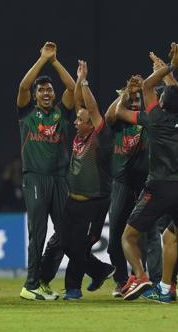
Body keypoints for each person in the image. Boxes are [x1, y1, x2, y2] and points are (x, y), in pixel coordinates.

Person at [117, 43, 178, 303]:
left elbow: (147, 87)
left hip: (159, 187)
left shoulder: (155, 119)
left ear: (161, 103)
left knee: (128, 237)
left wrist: (168, 66)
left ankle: (141, 276)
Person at [16, 42, 75, 300]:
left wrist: (54, 61)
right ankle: (30, 285)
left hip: (60, 180)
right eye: (42, 91)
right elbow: (22, 87)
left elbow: (73, 88)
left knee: (65, 235)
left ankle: (42, 279)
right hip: (36, 178)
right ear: (36, 96)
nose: (46, 93)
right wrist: (42, 59)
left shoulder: (61, 114)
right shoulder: (27, 114)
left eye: (50, 89)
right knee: (38, 232)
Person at [61, 60, 115, 300]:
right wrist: (78, 78)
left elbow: (91, 110)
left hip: (93, 202)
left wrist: (84, 81)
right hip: (72, 202)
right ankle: (100, 269)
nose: (75, 122)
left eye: (79, 120)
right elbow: (79, 105)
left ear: (89, 124)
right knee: (65, 245)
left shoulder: (97, 138)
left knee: (80, 246)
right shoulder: (78, 135)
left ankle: (73, 288)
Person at [105, 74, 162, 297]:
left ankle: (154, 282)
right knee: (115, 238)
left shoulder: (150, 120)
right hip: (122, 184)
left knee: (150, 236)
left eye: (140, 99)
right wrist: (125, 93)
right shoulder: (120, 123)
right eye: (133, 101)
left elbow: (153, 105)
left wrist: (142, 92)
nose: (136, 103)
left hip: (145, 184)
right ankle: (122, 281)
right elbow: (110, 115)